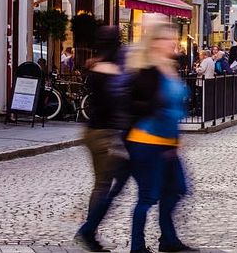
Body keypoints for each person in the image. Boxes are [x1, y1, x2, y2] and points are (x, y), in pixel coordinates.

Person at [124, 16, 195, 253]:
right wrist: (155, 109)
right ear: (154, 42)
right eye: (166, 39)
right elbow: (134, 105)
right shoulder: (146, 71)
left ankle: (168, 239)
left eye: (174, 38)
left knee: (177, 188)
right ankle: (137, 246)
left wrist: (175, 139)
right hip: (145, 141)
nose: (172, 43)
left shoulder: (170, 68)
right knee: (148, 196)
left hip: (167, 141)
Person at [74, 27, 131, 252]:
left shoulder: (95, 67)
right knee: (105, 186)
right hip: (106, 134)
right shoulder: (112, 70)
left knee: (103, 184)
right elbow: (116, 105)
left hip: (92, 131)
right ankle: (89, 230)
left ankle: (90, 228)